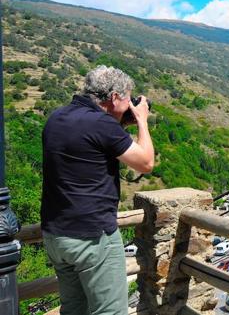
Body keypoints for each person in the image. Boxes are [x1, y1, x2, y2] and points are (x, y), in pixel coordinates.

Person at [41, 65, 154, 315]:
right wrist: (142, 121)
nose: (130, 105)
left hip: (56, 236)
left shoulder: (57, 117)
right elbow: (146, 162)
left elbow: (90, 148)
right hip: (91, 236)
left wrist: (120, 121)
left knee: (74, 311)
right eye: (127, 99)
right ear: (114, 97)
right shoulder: (101, 124)